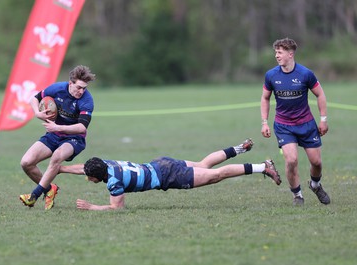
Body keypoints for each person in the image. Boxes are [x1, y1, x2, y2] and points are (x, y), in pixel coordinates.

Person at [58, 139, 282, 211]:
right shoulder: (107, 164)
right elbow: (83, 168)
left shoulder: (114, 182)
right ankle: (239, 149)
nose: (87, 178)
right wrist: (60, 168)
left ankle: (263, 167)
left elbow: (117, 208)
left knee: (216, 175)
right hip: (161, 163)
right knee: (204, 163)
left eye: (89, 177)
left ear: (97, 177)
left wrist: (91, 207)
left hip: (168, 177)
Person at [260, 38, 330, 206]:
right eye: (276, 52)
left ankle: (315, 185)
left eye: (280, 52)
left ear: (290, 54)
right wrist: (264, 122)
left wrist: (323, 120)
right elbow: (265, 98)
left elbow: (320, 94)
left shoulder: (305, 74)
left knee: (316, 162)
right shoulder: (271, 75)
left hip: (306, 124)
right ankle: (297, 195)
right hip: (284, 126)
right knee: (291, 160)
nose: (276, 55)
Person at [19, 65, 96, 210]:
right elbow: (34, 99)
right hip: (53, 134)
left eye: (84, 88)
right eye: (79, 87)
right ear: (70, 83)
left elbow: (82, 127)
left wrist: (58, 127)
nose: (82, 91)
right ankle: (49, 189)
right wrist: (37, 113)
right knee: (26, 162)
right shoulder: (57, 89)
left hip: (74, 138)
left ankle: (33, 197)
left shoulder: (87, 100)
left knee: (56, 157)